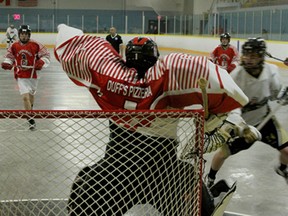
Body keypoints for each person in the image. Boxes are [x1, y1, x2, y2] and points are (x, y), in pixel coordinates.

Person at [54, 24, 260, 216]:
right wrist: (236, 125)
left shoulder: (107, 75)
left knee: (84, 200)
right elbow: (228, 95)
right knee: (200, 206)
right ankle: (207, 202)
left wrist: (64, 30)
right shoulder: (170, 77)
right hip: (163, 173)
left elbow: (69, 42)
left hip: (117, 170)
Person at [205, 37, 288, 188]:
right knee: (223, 154)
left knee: (287, 151)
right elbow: (231, 106)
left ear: (261, 56)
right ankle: (210, 179)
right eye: (247, 55)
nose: (249, 59)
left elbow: (276, 95)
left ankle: (282, 169)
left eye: (254, 55)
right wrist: (242, 128)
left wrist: (284, 95)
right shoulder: (236, 75)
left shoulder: (271, 71)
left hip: (265, 118)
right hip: (241, 123)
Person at [1, 25, 50, 130]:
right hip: (21, 75)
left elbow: (46, 55)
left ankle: (30, 110)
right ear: (19, 35)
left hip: (33, 74)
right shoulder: (14, 46)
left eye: (25, 34)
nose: (23, 36)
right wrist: (7, 63)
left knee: (31, 95)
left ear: (29, 35)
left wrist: (41, 61)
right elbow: (9, 57)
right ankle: (30, 119)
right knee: (25, 97)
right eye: (22, 34)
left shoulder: (36, 45)